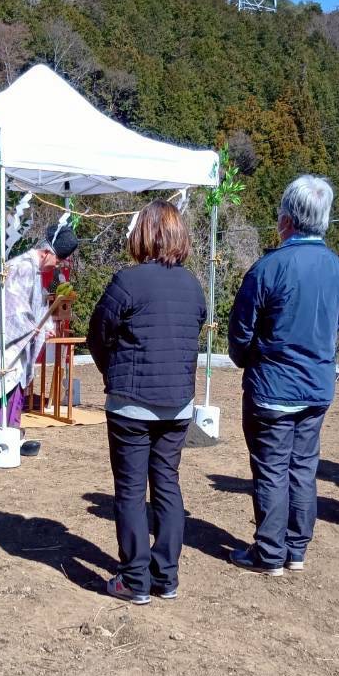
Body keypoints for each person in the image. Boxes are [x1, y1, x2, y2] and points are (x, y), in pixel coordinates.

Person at [226, 175, 339, 576]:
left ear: (286, 219)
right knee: (302, 467)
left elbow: (241, 332)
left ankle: (268, 552)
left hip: (273, 386)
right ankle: (296, 549)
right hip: (316, 385)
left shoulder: (269, 268)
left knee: (272, 468)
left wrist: (248, 359)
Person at [87, 200, 207, 604]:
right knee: (168, 486)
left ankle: (135, 578)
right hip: (176, 406)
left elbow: (98, 335)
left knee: (132, 490)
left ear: (143, 234)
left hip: (132, 406)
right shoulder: (193, 285)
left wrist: (113, 375)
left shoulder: (128, 281)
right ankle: (165, 576)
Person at [0, 225, 79, 449]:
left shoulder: (32, 270)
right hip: (5, 339)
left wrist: (45, 326)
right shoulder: (22, 267)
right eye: (57, 259)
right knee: (5, 378)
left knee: (14, 383)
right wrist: (32, 327)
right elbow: (10, 310)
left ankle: (9, 429)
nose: (57, 265)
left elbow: (33, 305)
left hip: (19, 340)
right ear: (47, 253)